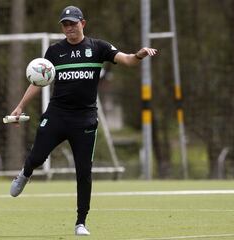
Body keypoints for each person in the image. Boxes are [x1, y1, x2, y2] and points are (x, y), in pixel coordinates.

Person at [9, 5, 158, 236]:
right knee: (37, 157)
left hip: (85, 119)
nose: (69, 28)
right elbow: (37, 81)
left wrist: (138, 54)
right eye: (65, 24)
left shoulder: (98, 47)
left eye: (73, 23)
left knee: (83, 172)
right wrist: (19, 107)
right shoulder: (54, 52)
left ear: (83, 23)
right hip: (57, 115)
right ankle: (25, 174)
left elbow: (127, 60)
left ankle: (81, 222)